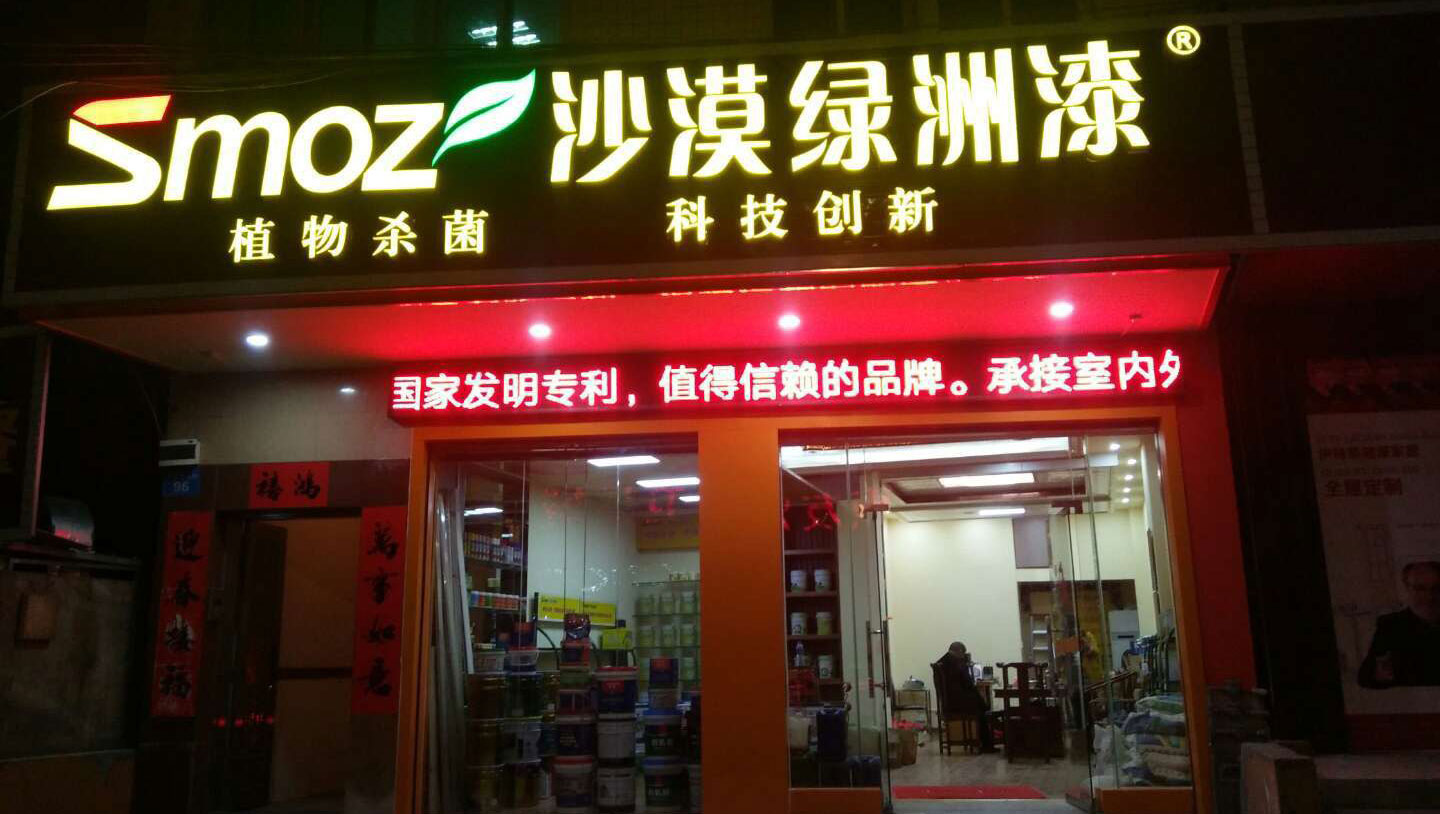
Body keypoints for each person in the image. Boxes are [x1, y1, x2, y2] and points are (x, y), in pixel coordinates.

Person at [1358, 561, 1440, 688]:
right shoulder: (1390, 625)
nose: (1429, 596)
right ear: (1407, 588)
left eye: (1436, 588)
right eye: (1420, 589)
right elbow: (1365, 676)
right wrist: (1379, 674)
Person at [937, 642, 996, 752]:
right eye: (963, 653)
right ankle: (986, 744)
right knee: (982, 709)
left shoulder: (941, 662)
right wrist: (981, 701)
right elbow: (968, 684)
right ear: (959, 651)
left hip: (948, 703)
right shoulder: (957, 662)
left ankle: (982, 741)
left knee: (980, 704)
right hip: (959, 703)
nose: (963, 656)